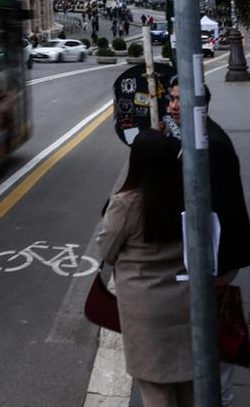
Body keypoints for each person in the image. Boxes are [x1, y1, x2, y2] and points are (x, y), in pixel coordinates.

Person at [166, 76, 250, 405]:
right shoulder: (198, 136)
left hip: (216, 260)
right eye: (170, 99)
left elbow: (218, 212)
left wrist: (212, 271)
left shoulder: (212, 145)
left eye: (178, 100)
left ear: (200, 105)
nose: (172, 106)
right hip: (210, 259)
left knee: (214, 337)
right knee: (208, 334)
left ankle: (219, 397)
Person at [94, 129, 195, 406]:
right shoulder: (186, 196)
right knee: (188, 383)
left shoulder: (126, 203)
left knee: (156, 387)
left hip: (145, 310)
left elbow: (107, 251)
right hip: (184, 300)